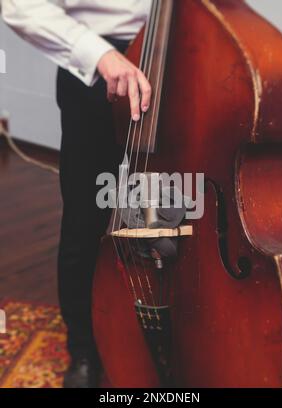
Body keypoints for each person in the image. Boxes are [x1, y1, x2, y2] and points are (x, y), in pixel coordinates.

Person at [2, 0, 152, 388]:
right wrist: (99, 54)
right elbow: (19, 6)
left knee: (179, 208)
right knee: (86, 217)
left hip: (184, 54)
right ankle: (84, 348)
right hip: (97, 62)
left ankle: (173, 333)